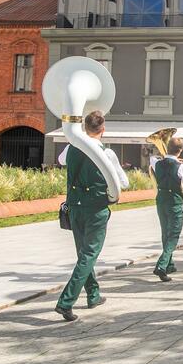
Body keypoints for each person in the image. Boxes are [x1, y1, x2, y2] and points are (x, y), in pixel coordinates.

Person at [54, 111, 129, 322]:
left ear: (85, 128)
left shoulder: (71, 147)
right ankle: (66, 302)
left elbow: (61, 160)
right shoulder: (107, 153)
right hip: (96, 208)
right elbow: (123, 183)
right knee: (89, 254)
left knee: (83, 254)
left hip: (75, 207)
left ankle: (93, 294)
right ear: (103, 129)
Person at [150, 137, 183, 282]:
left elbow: (153, 159)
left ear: (167, 148)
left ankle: (169, 264)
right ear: (180, 150)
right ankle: (162, 265)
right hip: (175, 202)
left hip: (161, 200)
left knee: (165, 232)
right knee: (174, 235)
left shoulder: (157, 163)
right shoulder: (180, 166)